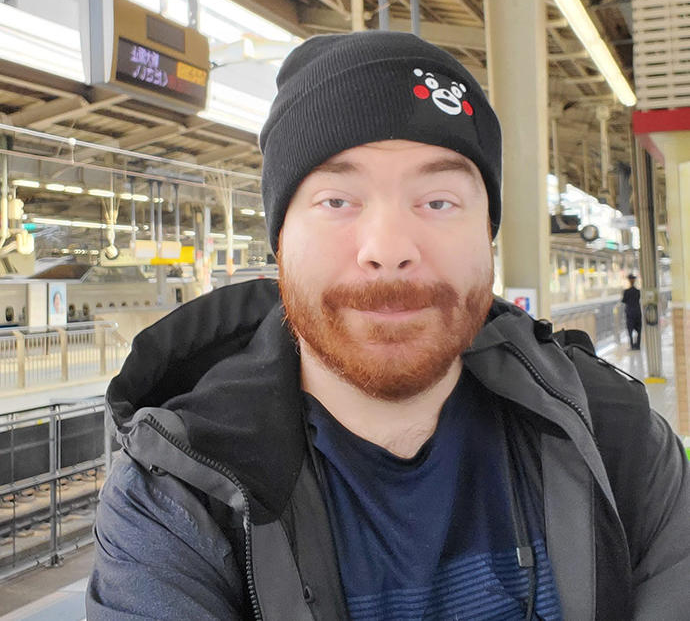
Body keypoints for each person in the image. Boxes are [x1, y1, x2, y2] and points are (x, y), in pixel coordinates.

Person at [87, 32, 690, 620]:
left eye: (438, 201)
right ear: (279, 243)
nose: (389, 249)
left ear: (488, 236)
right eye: (336, 201)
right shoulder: (176, 495)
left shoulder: (619, 441)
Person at [623, 273, 643, 350]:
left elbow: (624, 300)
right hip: (637, 312)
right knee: (639, 330)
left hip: (630, 313)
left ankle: (632, 346)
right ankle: (637, 345)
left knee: (630, 330)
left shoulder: (626, 291)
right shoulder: (638, 291)